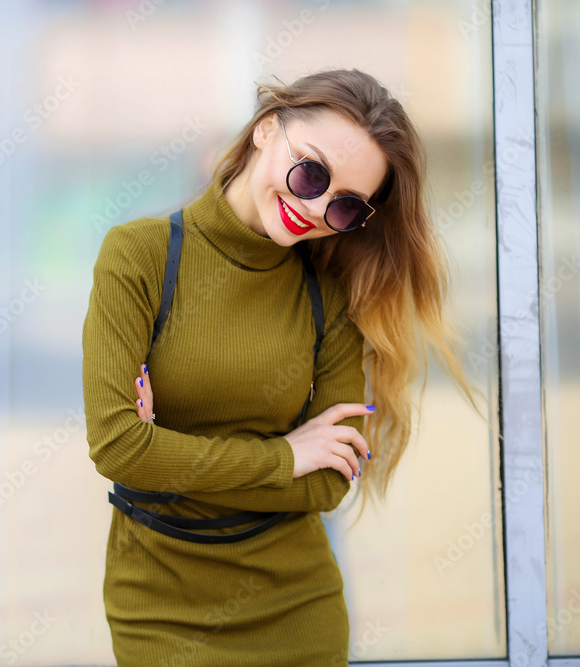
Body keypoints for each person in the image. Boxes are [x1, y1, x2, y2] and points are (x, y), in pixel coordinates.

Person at [81, 69, 481, 666]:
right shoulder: (138, 256)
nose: (314, 206)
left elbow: (326, 483)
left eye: (345, 206)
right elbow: (117, 448)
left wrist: (168, 452)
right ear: (267, 129)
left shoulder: (331, 292)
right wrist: (286, 454)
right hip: (160, 606)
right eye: (312, 171)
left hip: (299, 612)